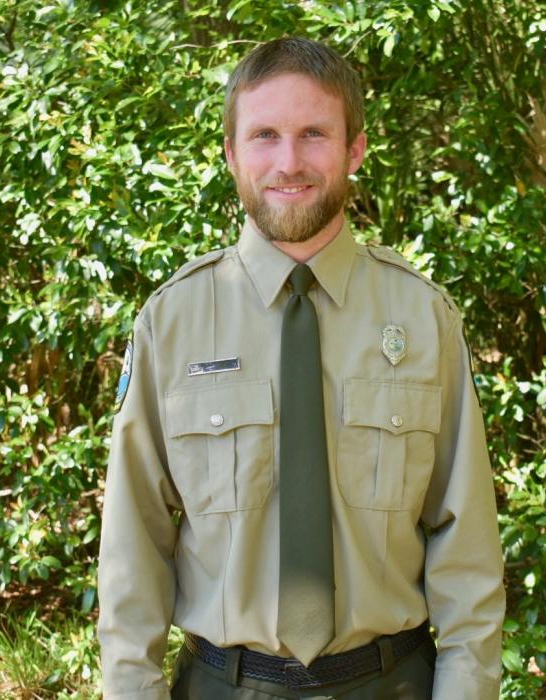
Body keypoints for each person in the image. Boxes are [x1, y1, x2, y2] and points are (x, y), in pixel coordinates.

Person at [97, 37, 505, 699]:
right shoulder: (172, 323)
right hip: (223, 686)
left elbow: (468, 547)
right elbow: (132, 549)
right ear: (230, 154)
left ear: (354, 150)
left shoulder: (425, 318)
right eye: (264, 135)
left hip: (391, 683)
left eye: (315, 133)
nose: (289, 162)